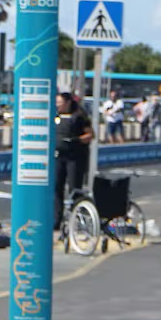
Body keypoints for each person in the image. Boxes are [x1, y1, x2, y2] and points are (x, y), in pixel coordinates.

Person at [53, 92, 93, 229]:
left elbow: (90, 134)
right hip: (59, 156)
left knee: (74, 187)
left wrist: (76, 140)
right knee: (56, 186)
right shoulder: (55, 116)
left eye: (60, 102)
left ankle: (77, 219)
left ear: (68, 102)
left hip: (75, 157)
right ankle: (56, 219)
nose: (57, 105)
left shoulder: (79, 116)